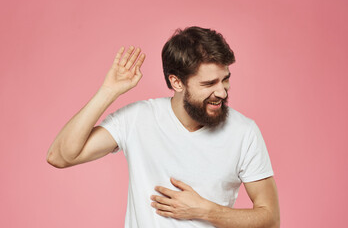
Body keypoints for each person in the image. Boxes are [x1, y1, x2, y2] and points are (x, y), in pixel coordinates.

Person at [47, 26, 280, 228]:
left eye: (225, 79)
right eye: (209, 83)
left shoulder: (244, 132)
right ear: (176, 82)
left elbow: (270, 219)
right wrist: (108, 92)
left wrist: (205, 210)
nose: (221, 92)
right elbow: (60, 156)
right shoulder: (138, 118)